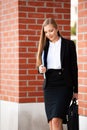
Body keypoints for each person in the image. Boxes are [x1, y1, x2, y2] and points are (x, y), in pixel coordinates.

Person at [36, 18, 78, 130]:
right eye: (46, 32)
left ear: (57, 29)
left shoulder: (69, 45)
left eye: (51, 31)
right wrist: (40, 69)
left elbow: (74, 68)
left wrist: (76, 90)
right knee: (52, 123)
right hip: (49, 86)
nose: (48, 34)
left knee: (56, 120)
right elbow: (39, 65)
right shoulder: (44, 46)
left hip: (64, 85)